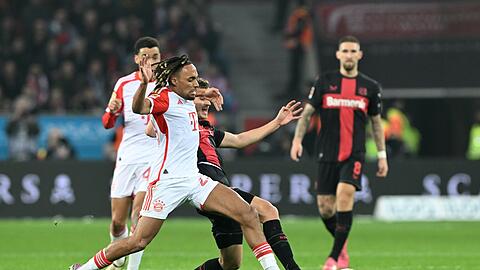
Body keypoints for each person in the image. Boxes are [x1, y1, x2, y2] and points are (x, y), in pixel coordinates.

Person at [69, 55, 281, 270]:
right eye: (190, 80)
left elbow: (191, 93)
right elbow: (140, 107)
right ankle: (85, 269)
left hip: (194, 179)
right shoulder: (164, 97)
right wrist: (143, 84)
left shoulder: (188, 95)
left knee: (247, 213)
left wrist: (204, 91)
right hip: (166, 182)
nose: (195, 83)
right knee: (137, 242)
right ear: (173, 82)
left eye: (196, 78)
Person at [146, 78, 303, 270]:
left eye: (207, 98)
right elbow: (151, 128)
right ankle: (293, 268)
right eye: (200, 97)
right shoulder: (179, 126)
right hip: (206, 189)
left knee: (230, 263)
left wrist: (277, 122)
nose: (206, 103)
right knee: (267, 210)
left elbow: (239, 139)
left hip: (223, 192)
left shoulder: (208, 130)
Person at [290, 36, 388, 270]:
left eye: (353, 51)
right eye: (345, 50)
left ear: (359, 55)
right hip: (326, 153)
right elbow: (307, 114)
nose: (349, 55)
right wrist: (297, 140)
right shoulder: (325, 81)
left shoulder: (370, 87)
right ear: (338, 54)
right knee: (325, 208)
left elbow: (376, 123)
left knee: (345, 196)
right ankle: (341, 248)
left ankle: (333, 259)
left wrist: (382, 155)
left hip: (354, 153)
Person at [100, 36, 160, 270]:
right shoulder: (124, 84)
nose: (151, 61)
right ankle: (117, 256)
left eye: (155, 56)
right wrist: (113, 113)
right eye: (146, 56)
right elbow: (106, 123)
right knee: (117, 222)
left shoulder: (167, 84)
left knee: (139, 215)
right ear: (137, 58)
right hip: (128, 156)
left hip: (154, 156)